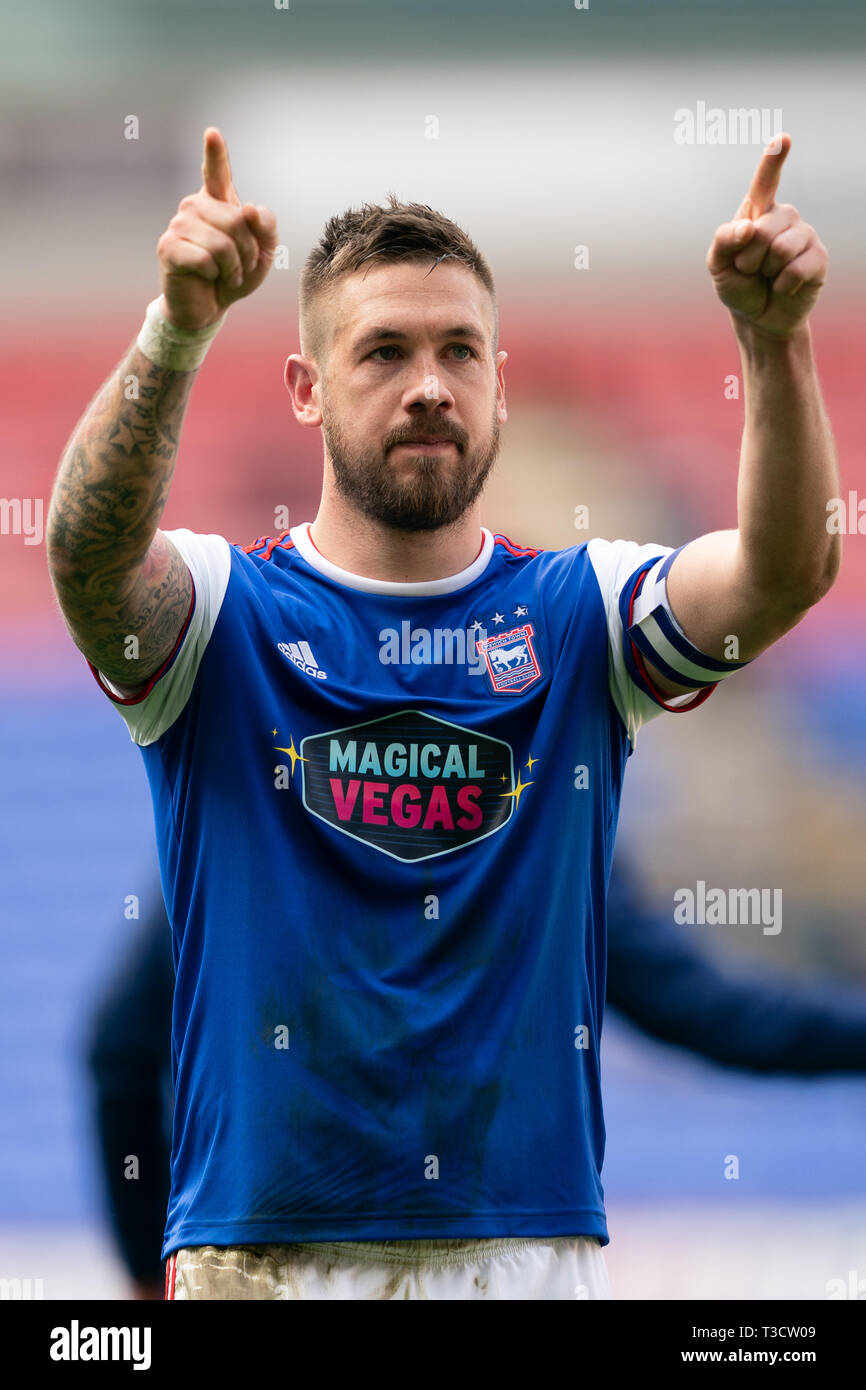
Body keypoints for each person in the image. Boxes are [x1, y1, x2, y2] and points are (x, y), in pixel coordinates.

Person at [48, 126, 839, 1300]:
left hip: (525, 1257)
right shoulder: (223, 621)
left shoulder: (581, 616)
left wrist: (772, 344)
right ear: (307, 391)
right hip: (261, 1261)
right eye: (383, 352)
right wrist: (177, 329)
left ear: (498, 385)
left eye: (459, 350)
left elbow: (780, 572)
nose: (428, 384)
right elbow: (88, 555)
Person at [85, 855, 866, 1299]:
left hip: (275, 1249)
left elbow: (116, 1049)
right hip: (495, 1254)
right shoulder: (545, 805)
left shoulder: (265, 809)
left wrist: (145, 1272)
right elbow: (710, 1013)